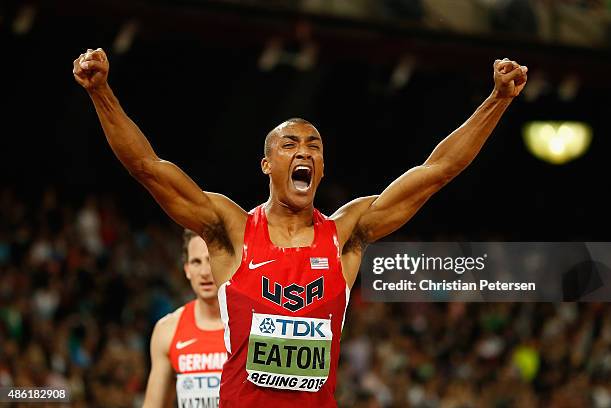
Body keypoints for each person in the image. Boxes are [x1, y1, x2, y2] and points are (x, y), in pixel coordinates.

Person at [73, 48, 527, 407]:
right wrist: (101, 93)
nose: (304, 151)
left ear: (322, 168)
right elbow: (148, 168)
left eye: (314, 146)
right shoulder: (230, 230)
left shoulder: (347, 233)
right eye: (291, 144)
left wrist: (498, 100)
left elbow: (437, 170)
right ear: (268, 164)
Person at [142, 230, 226, 408]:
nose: (204, 271)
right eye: (196, 262)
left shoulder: (250, 327)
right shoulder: (167, 330)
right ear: (187, 269)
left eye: (211, 260)